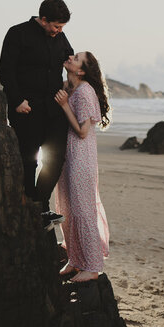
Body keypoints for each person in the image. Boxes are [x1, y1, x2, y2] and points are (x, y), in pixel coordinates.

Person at [0, 0, 73, 229]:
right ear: (43, 19)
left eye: (62, 27)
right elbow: (6, 70)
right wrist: (17, 100)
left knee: (56, 157)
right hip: (26, 109)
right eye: (55, 26)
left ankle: (39, 205)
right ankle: (32, 208)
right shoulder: (17, 33)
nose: (58, 31)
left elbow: (70, 59)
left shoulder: (60, 36)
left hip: (53, 109)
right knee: (28, 160)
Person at [54, 51, 110, 282]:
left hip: (81, 159)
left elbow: (83, 131)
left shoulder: (85, 91)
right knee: (66, 209)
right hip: (69, 156)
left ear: (82, 70)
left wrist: (65, 105)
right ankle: (75, 259)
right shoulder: (71, 87)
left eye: (76, 58)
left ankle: (93, 267)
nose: (70, 57)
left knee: (82, 211)